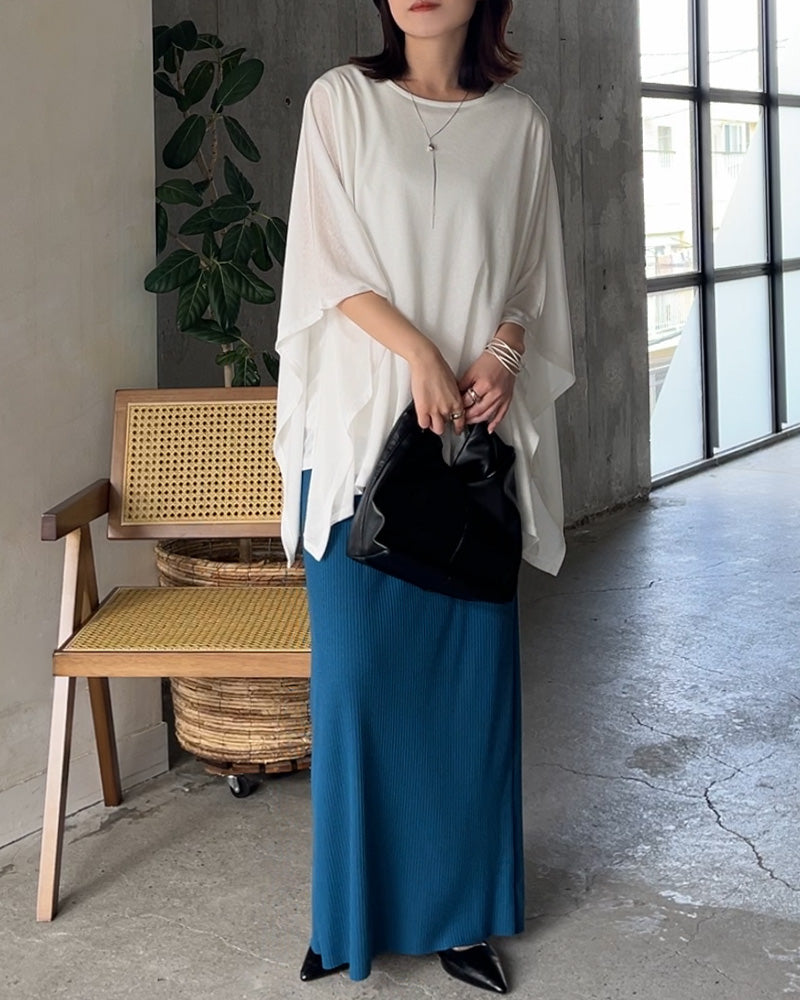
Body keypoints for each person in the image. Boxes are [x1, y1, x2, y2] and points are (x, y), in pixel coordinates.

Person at [273, 0, 575, 992]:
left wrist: (503, 352)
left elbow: (529, 277)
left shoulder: (519, 125)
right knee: (356, 685)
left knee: (465, 693)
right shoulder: (341, 102)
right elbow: (324, 263)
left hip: (466, 452)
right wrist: (418, 354)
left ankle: (463, 917)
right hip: (358, 438)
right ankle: (350, 913)